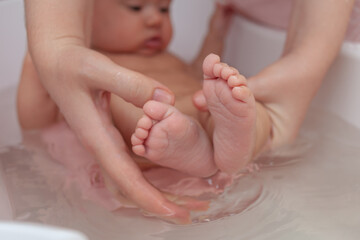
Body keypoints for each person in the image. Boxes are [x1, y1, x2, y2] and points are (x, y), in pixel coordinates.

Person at [18, 0, 355, 224]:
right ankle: (194, 144)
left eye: (165, 9)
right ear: (85, 14)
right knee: (124, 103)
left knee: (227, 98)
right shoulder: (87, 73)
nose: (154, 18)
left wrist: (215, 34)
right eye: (135, 6)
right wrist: (42, 55)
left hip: (193, 118)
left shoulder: (171, 59)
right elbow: (35, 122)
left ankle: (233, 136)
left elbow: (200, 71)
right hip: (158, 133)